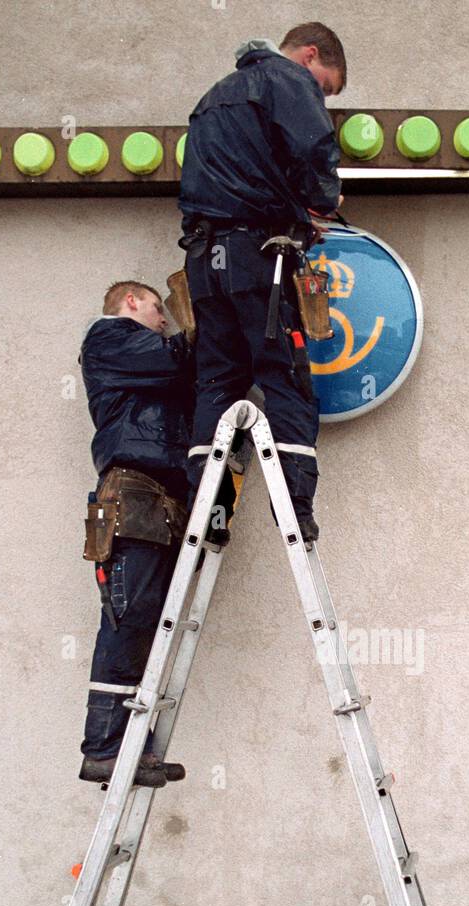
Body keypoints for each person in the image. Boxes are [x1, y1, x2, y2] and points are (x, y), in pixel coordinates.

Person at [177, 22, 347, 543]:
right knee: (286, 379)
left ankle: (211, 514)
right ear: (309, 55)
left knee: (218, 384)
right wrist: (322, 203)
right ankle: (294, 510)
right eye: (327, 84)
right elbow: (314, 146)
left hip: (206, 263)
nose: (322, 94)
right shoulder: (287, 79)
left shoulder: (211, 100)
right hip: (261, 261)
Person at [78, 281, 196, 788]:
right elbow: (176, 357)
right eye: (156, 308)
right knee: (129, 619)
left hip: (160, 502)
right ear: (130, 302)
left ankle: (133, 750)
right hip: (133, 496)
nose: (164, 318)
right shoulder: (110, 337)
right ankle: (104, 748)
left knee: (148, 623)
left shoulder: (143, 360)